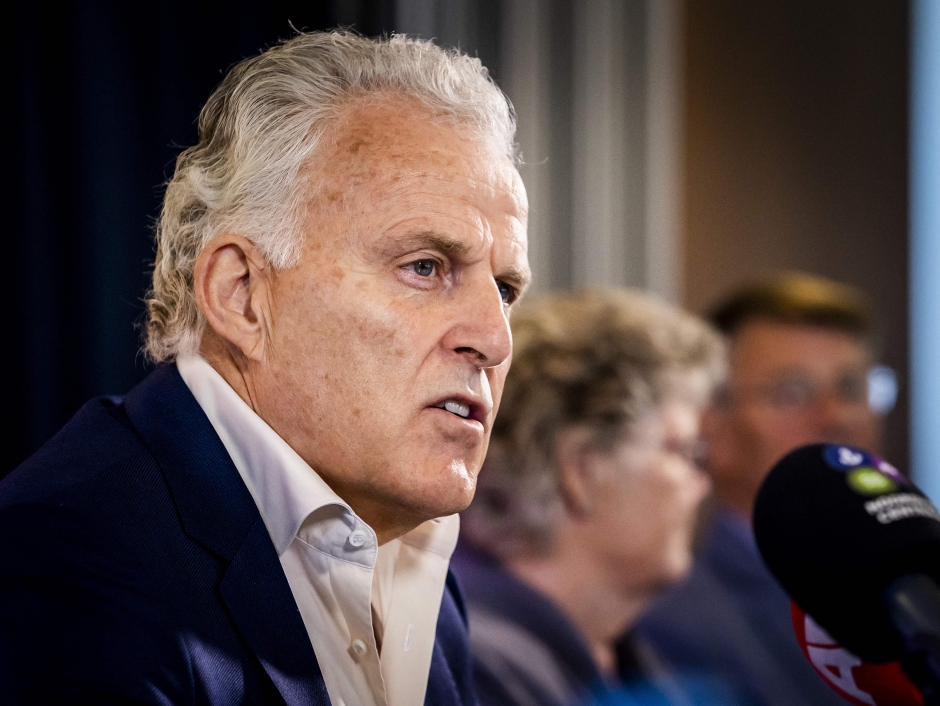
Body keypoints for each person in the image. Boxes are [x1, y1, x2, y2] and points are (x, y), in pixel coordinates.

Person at [0, 31, 530, 706]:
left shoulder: (416, 559)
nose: (495, 338)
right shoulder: (66, 563)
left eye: (505, 289)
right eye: (424, 267)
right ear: (242, 295)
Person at [452, 289, 733, 706]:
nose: (703, 482)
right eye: (687, 452)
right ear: (581, 471)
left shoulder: (629, 660)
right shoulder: (479, 670)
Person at [635, 272, 889, 706]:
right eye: (793, 392)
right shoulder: (671, 624)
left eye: (851, 388)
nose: (837, 417)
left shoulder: (919, 593)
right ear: (709, 423)